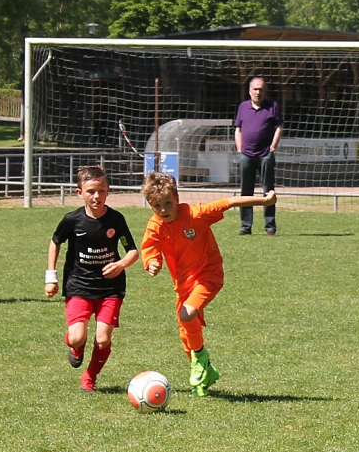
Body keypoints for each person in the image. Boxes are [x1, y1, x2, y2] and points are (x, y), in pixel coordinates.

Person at [140, 171, 276, 396]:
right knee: (186, 334)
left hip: (208, 275)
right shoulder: (155, 225)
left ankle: (201, 359)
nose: (163, 210)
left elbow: (230, 202)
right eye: (157, 206)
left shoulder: (197, 214)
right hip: (183, 284)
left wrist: (264, 201)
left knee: (187, 315)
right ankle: (205, 375)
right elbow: (150, 247)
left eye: (167, 203)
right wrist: (152, 262)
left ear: (177, 197)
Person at [45, 166, 139, 391]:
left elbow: (132, 251)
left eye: (102, 191)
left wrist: (121, 264)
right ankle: (76, 346)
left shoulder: (116, 219)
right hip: (79, 285)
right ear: (79, 193)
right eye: (91, 191)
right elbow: (55, 242)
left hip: (111, 288)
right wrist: (51, 276)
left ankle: (90, 376)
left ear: (108, 191)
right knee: (77, 338)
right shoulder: (72, 220)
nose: (97, 196)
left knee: (103, 339)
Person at [234, 77, 282, 236]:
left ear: (264, 91)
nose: (257, 92)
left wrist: (272, 147)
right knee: (246, 191)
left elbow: (279, 127)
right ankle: (245, 226)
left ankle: (270, 226)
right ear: (250, 91)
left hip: (265, 155)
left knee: (269, 190)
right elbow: (238, 129)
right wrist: (239, 149)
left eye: (260, 89)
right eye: (255, 89)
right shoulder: (242, 107)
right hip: (246, 155)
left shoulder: (273, 106)